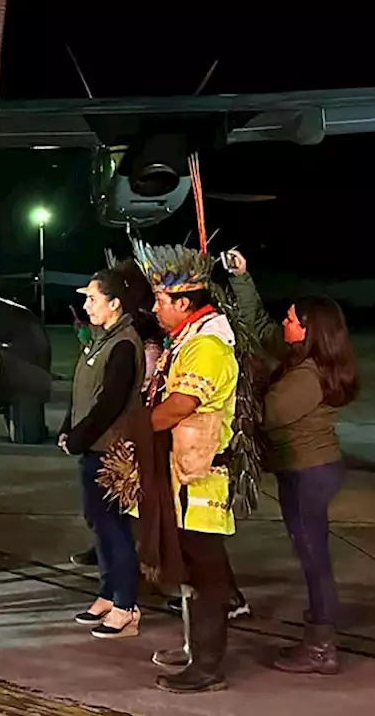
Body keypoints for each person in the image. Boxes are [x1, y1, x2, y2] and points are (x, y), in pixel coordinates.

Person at [228, 250, 358, 674]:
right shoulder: (298, 357)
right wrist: (243, 279)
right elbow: (260, 327)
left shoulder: (307, 375)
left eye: (290, 319)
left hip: (309, 473)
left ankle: (321, 647)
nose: (283, 322)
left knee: (313, 559)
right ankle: (320, 639)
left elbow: (266, 415)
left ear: (307, 330)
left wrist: (239, 385)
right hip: (305, 470)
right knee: (311, 555)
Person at [134, 240, 239, 694]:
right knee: (192, 568)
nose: (156, 308)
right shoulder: (189, 339)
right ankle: (197, 649)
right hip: (184, 474)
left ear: (183, 301)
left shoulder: (208, 346)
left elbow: (179, 405)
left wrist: (132, 428)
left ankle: (209, 665)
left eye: (161, 300)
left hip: (200, 479)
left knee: (205, 573)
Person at [59, 266, 146, 639]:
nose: (87, 305)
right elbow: (83, 392)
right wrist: (68, 428)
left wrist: (79, 438)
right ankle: (108, 593)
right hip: (91, 447)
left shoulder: (124, 344)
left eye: (93, 299)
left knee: (114, 527)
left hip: (110, 452)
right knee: (99, 523)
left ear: (114, 304)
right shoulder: (100, 339)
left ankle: (127, 605)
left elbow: (110, 403)